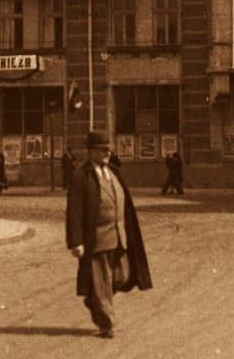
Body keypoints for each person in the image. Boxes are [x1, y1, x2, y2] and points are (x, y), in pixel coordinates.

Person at [66, 130, 152, 338]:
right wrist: (76, 242)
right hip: (95, 239)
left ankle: (95, 298)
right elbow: (74, 211)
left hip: (118, 235)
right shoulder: (80, 176)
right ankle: (107, 325)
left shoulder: (113, 172)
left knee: (123, 274)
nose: (108, 152)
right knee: (102, 281)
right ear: (91, 151)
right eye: (103, 149)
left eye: (109, 148)